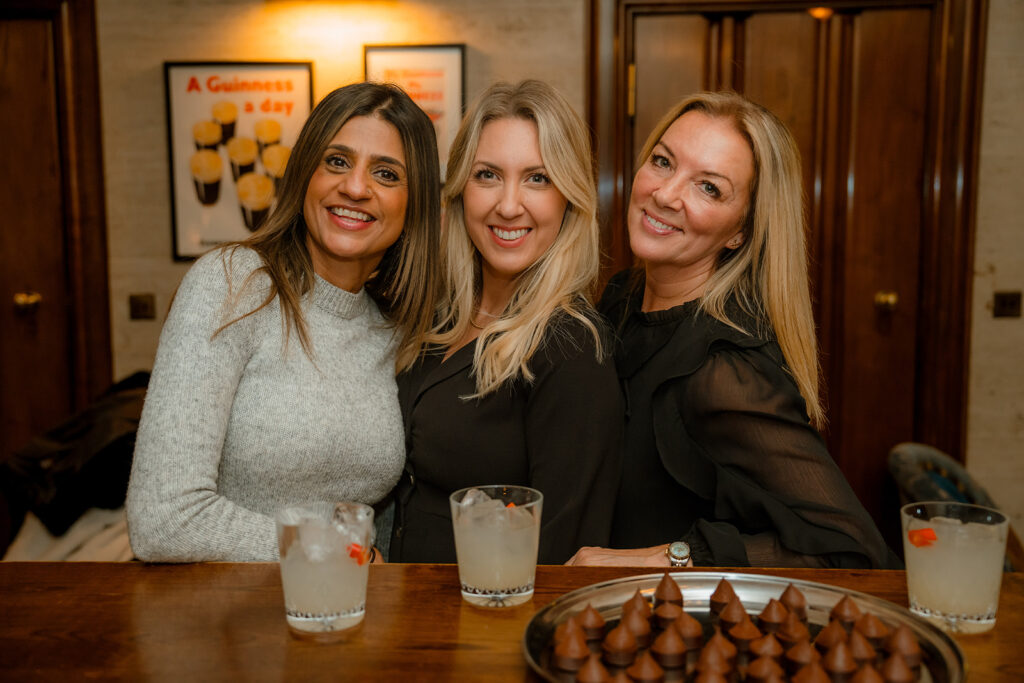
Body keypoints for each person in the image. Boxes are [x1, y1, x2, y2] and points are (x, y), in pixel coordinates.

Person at [567, 91, 894, 569]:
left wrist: (666, 558)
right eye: (663, 162)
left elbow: (851, 548)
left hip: (680, 628)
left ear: (740, 231)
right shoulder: (621, 296)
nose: (665, 194)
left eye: (709, 188)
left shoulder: (723, 368)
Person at [126, 82, 441, 562]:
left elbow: (378, 512)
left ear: (413, 201)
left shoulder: (395, 326)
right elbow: (163, 518)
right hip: (223, 618)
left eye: (385, 173)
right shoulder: (234, 284)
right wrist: (338, 551)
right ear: (304, 174)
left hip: (345, 616)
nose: (355, 187)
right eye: (336, 161)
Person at [388, 80, 623, 565]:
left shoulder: (572, 351)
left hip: (485, 628)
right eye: (488, 175)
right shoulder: (437, 316)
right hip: (404, 618)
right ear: (459, 191)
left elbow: (563, 560)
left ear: (569, 198)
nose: (509, 204)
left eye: (538, 178)